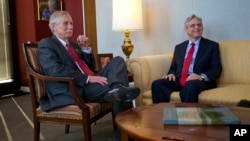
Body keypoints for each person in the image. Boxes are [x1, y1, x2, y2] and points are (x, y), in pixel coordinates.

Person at [37, 11, 140, 140]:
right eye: (66, 23)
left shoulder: (73, 45)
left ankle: (117, 87)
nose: (70, 27)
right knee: (119, 93)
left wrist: (85, 49)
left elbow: (89, 68)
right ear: (54, 27)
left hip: (86, 83)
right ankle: (126, 135)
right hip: (72, 88)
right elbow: (54, 70)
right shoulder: (47, 44)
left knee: (118, 60)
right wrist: (87, 78)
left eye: (71, 23)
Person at [151, 14, 222, 103]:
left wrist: (200, 76)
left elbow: (216, 69)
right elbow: (173, 67)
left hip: (198, 81)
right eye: (193, 25)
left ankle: (188, 116)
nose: (197, 27)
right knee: (157, 84)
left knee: (190, 86)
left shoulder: (212, 46)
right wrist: (171, 74)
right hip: (180, 79)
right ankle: (162, 114)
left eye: (199, 25)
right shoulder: (179, 47)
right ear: (186, 30)